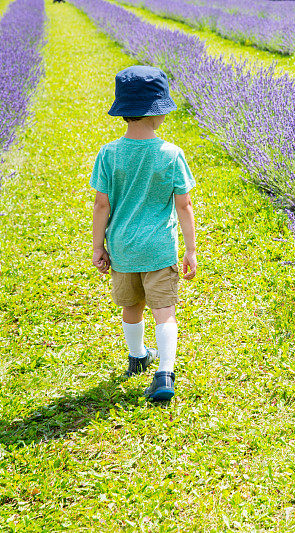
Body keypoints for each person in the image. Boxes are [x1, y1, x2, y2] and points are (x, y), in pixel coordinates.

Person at [90, 65, 196, 402]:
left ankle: (137, 356)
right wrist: (191, 250)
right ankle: (165, 371)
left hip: (123, 247)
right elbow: (184, 206)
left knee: (131, 306)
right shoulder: (171, 154)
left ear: (123, 110)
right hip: (159, 248)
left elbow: (101, 206)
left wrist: (98, 246)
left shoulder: (108, 153)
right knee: (164, 310)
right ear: (160, 112)